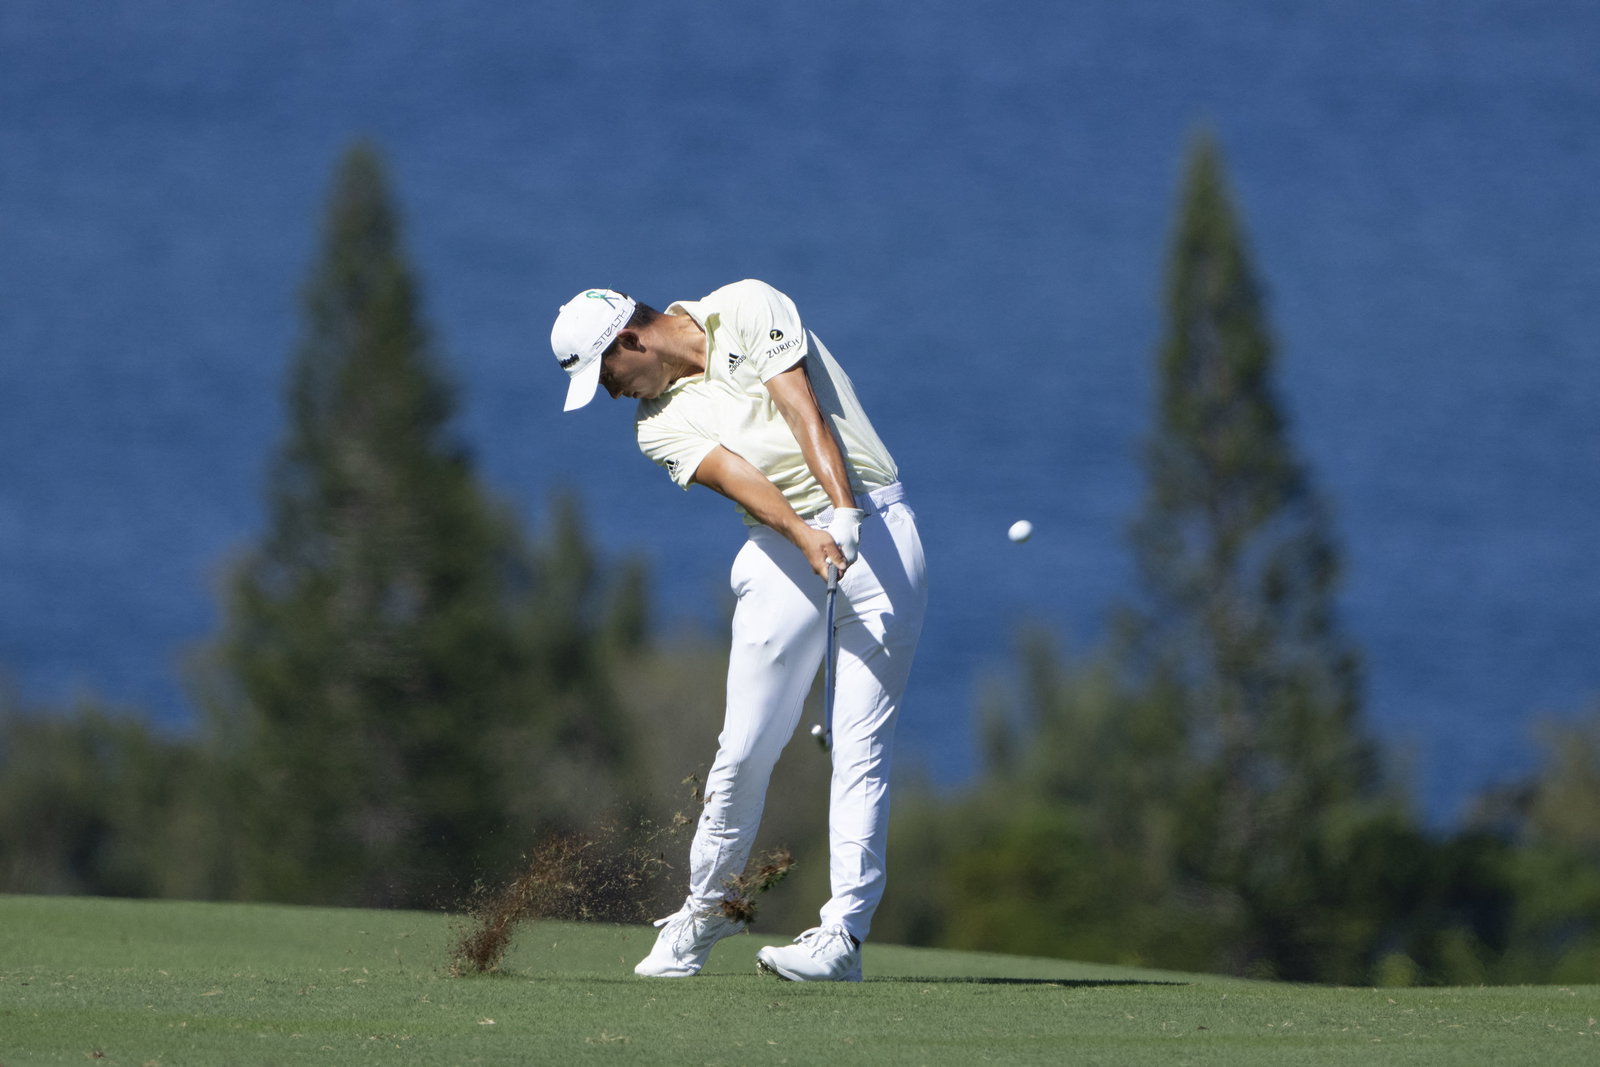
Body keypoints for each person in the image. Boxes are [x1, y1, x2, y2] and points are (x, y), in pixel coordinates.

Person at [549, 279, 928, 982]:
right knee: (745, 747)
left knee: (859, 744)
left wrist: (843, 511)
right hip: (783, 547)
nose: (609, 395)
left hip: (879, 527)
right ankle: (705, 910)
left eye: (605, 376)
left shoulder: (747, 305)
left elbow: (799, 404)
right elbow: (741, 476)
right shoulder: (655, 425)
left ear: (629, 340)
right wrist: (808, 533)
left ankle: (841, 937)